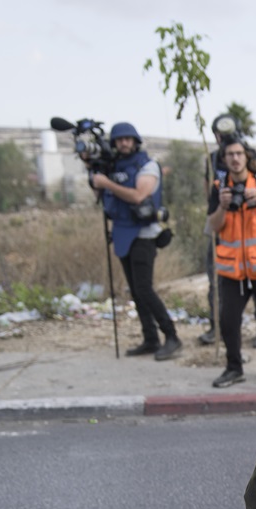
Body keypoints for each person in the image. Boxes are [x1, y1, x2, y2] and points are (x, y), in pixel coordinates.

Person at [89, 122, 181, 360]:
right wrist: (95, 175)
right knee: (136, 292)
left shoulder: (147, 165)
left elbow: (139, 195)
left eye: (128, 139)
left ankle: (172, 336)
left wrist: (106, 182)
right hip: (121, 232)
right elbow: (100, 195)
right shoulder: (112, 166)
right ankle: (150, 338)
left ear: (136, 141)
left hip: (144, 234)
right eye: (119, 140)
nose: (124, 143)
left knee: (144, 288)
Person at [205, 139, 256, 388]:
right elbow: (212, 226)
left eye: (239, 153)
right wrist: (222, 205)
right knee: (228, 321)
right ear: (224, 159)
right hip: (232, 270)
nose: (235, 158)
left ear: (246, 157)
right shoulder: (219, 188)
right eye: (229, 154)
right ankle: (234, 368)